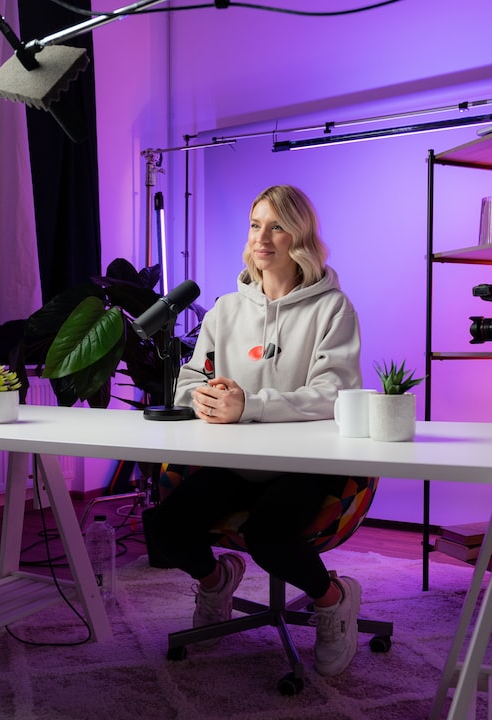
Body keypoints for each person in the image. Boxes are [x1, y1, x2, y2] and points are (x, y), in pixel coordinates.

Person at [148, 184, 364, 677]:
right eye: (254, 225)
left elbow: (334, 393)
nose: (261, 238)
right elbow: (189, 381)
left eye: (277, 226)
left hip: (305, 465)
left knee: (268, 537)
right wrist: (205, 398)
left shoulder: (333, 308)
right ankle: (216, 581)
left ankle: (334, 599)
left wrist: (250, 405)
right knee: (164, 528)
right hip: (236, 463)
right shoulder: (226, 309)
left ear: (299, 237)